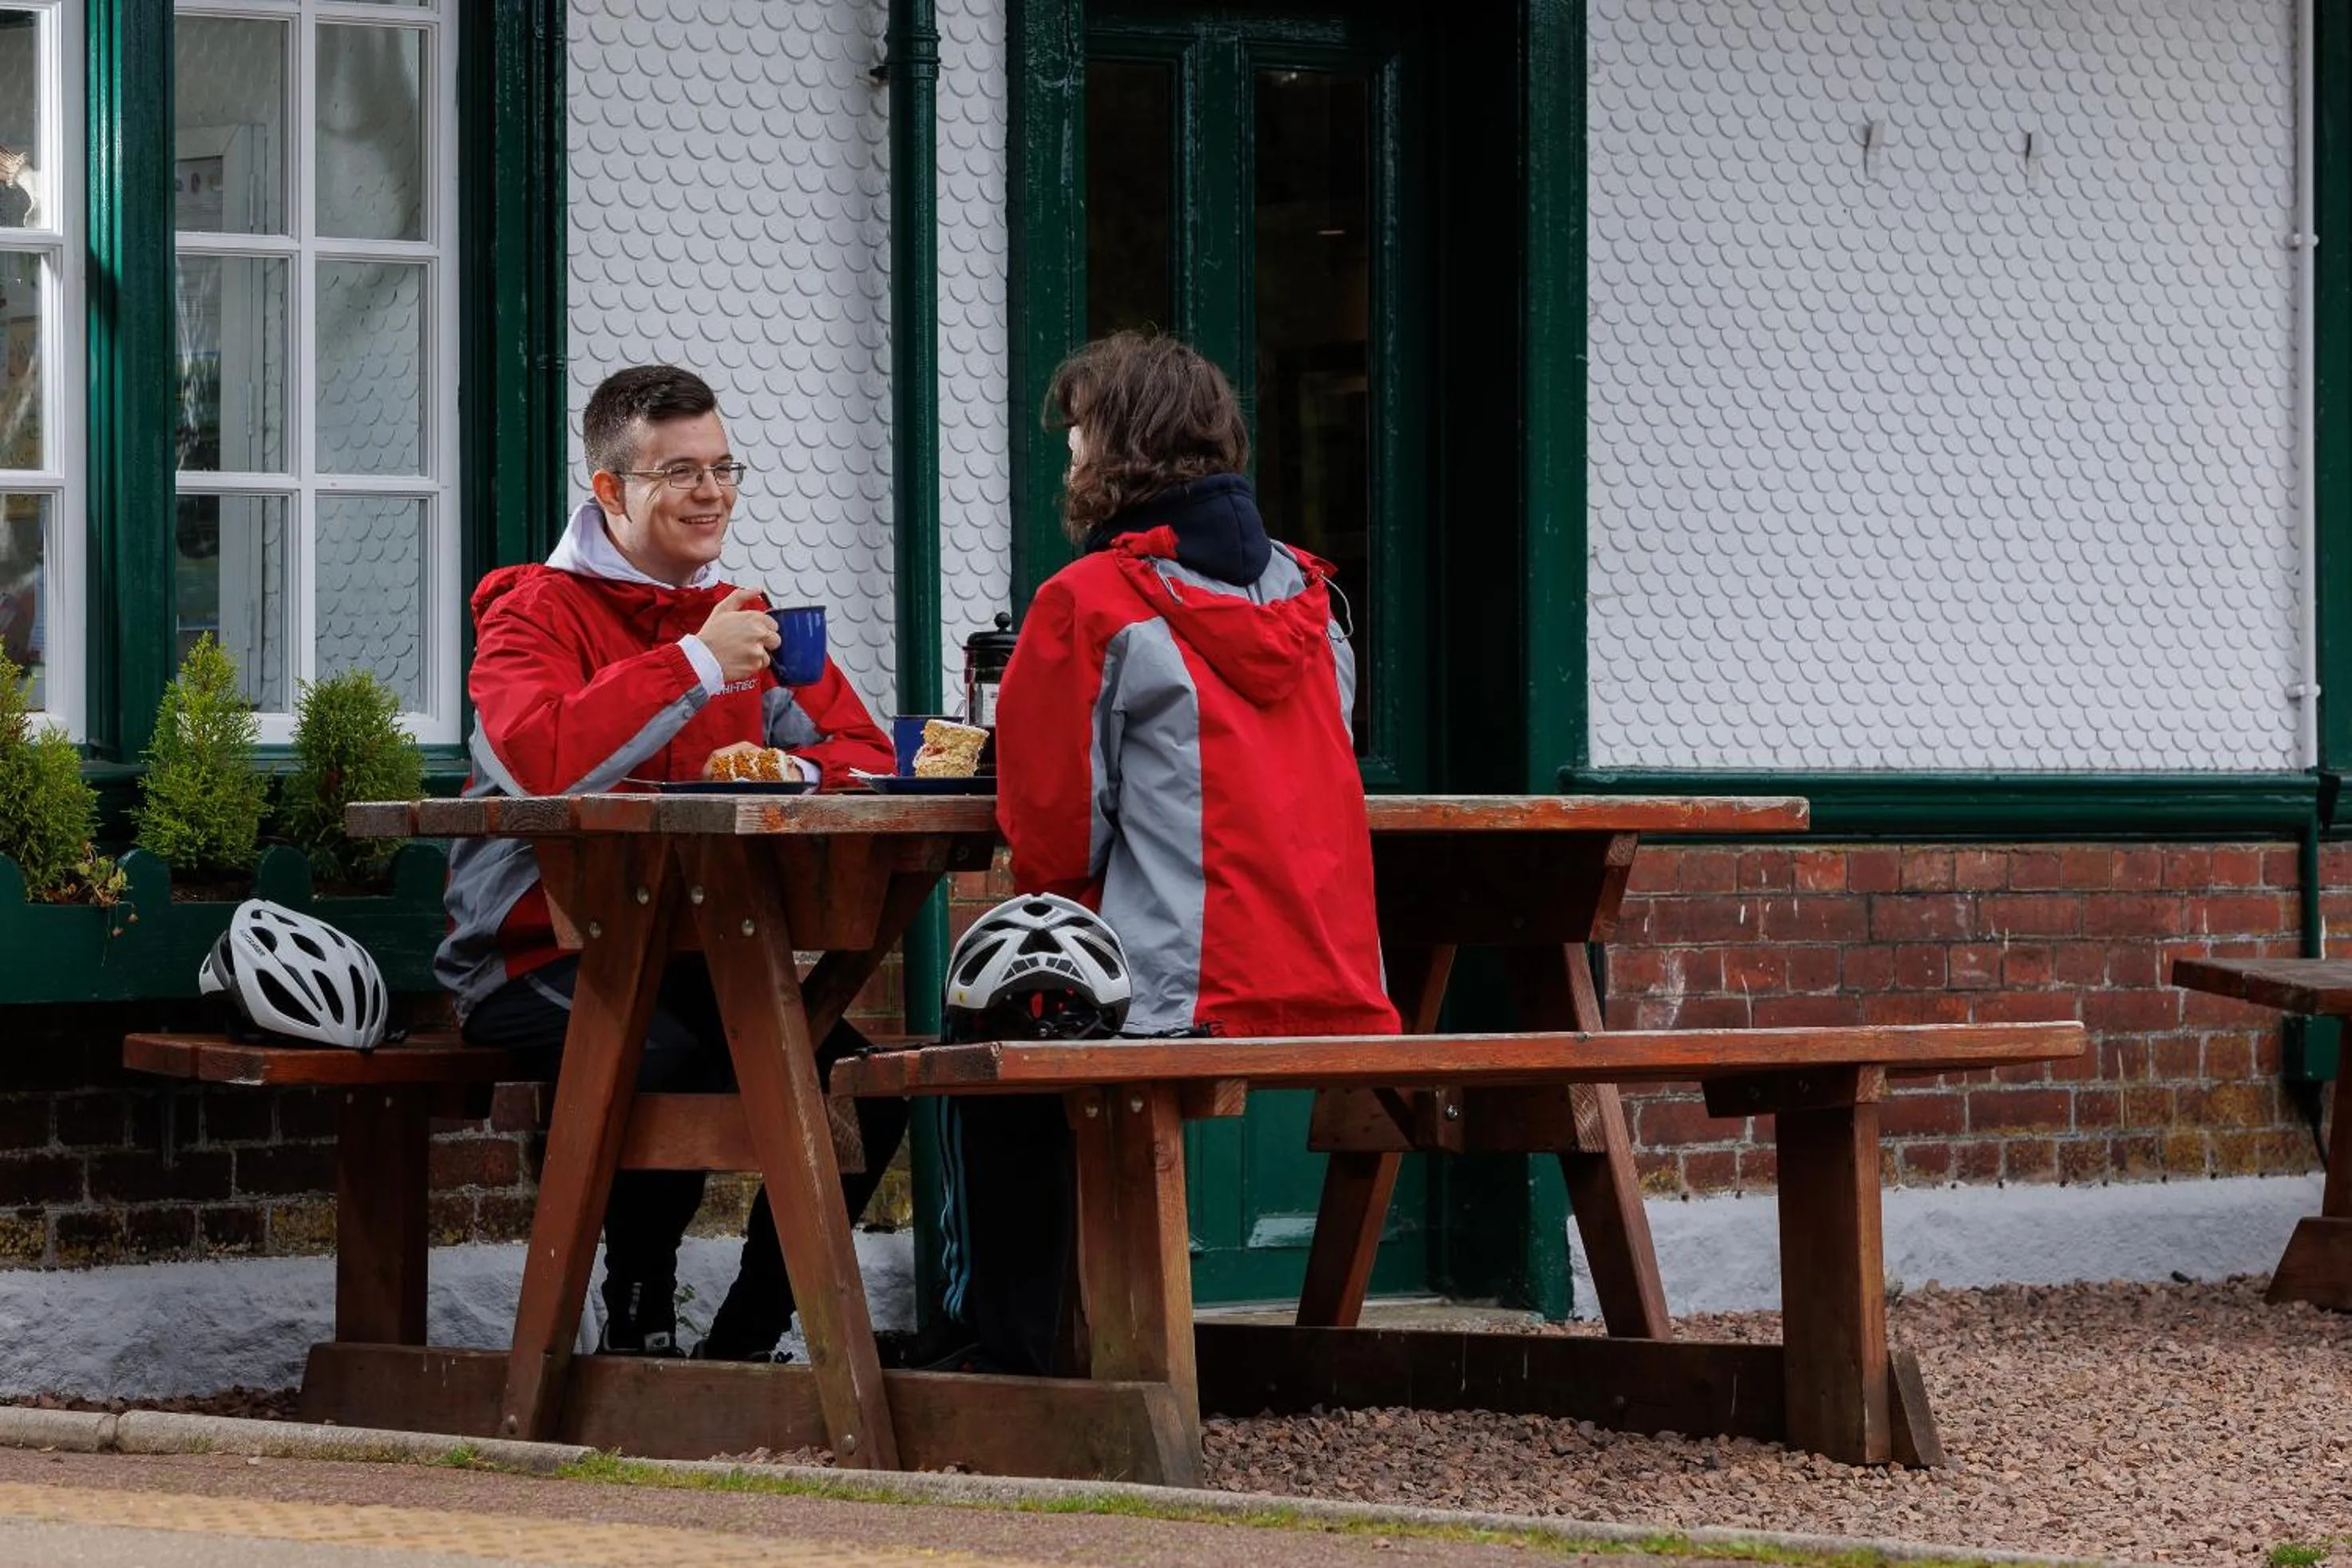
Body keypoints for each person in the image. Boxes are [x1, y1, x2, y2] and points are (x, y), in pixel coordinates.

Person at [943, 331, 1400, 1372]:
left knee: (989, 1039)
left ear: (1116, 450)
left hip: (1184, 992)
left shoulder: (1088, 605)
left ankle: (1015, 1364)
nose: (1067, 463)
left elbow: (1052, 838)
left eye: (1075, 441)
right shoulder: (1313, 599)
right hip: (1338, 983)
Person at [436, 363, 901, 1360]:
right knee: (667, 1061)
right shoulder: (533, 612)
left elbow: (863, 755)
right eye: (680, 471)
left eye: (724, 467)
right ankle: (636, 1310)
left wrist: (783, 762)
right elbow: (537, 763)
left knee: (865, 1078)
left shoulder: (746, 617)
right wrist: (695, 665)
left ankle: (743, 1343)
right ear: (610, 491)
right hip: (535, 956)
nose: (712, 492)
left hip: (706, 950)